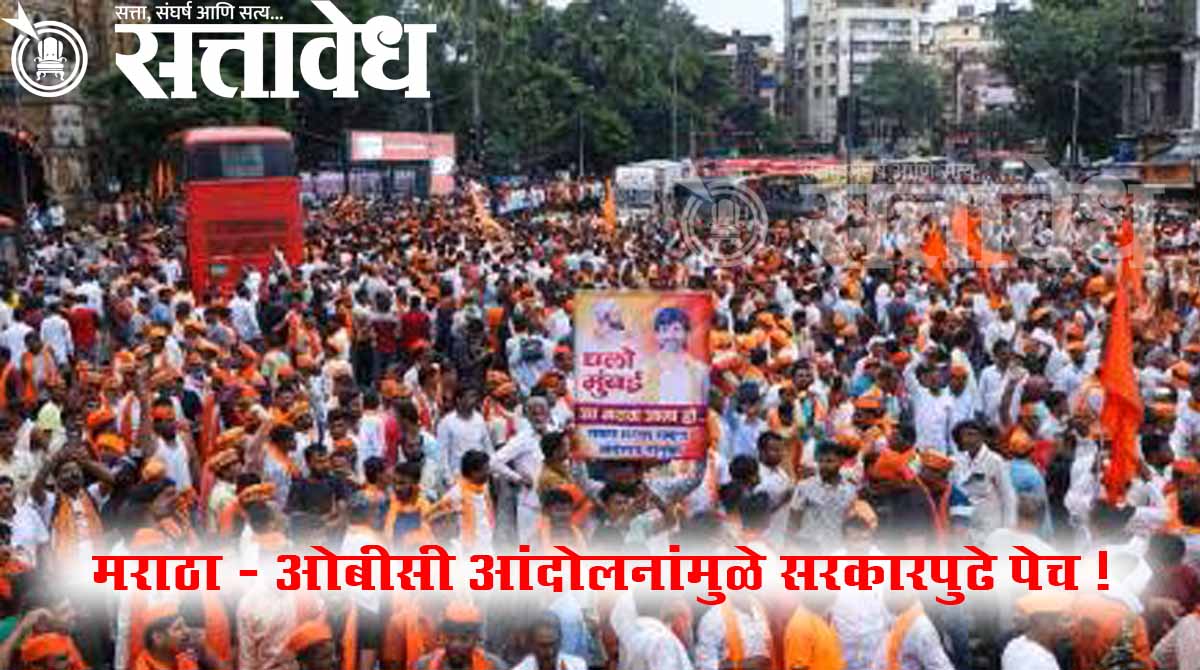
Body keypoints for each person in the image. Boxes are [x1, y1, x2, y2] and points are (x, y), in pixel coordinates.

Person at [412, 603, 507, 670]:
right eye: (450, 638)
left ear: (476, 640)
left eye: (464, 639)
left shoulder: (494, 666)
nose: (455, 645)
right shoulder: (424, 665)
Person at [509, 613, 586, 670]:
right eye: (543, 646)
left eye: (553, 644)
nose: (550, 652)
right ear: (532, 644)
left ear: (560, 641)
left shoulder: (577, 666)